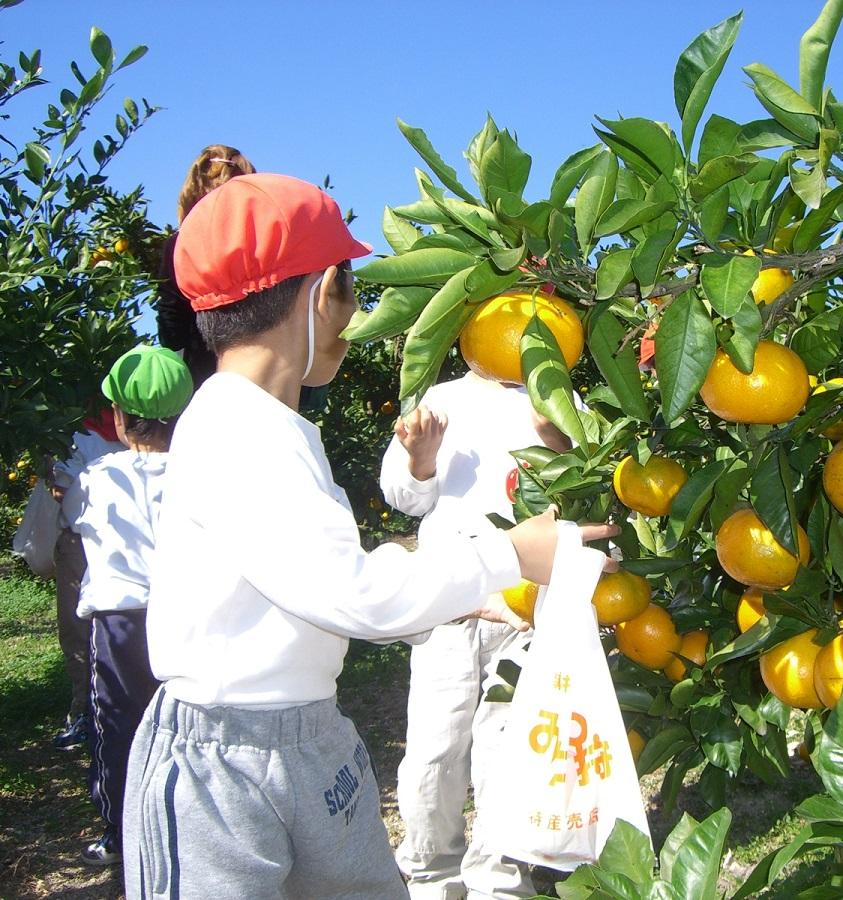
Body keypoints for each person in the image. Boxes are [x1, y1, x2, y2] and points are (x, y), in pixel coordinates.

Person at [121, 173, 617, 899]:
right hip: (221, 765)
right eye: (354, 293)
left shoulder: (273, 426)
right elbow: (351, 594)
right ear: (326, 292)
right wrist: (509, 554)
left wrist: (457, 589)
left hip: (311, 735)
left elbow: (327, 575)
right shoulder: (237, 429)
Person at [380, 374, 573, 900]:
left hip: (524, 605)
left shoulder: (557, 394)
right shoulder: (442, 400)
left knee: (509, 747)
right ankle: (430, 875)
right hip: (450, 605)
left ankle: (501, 878)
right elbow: (404, 496)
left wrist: (557, 440)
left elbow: (583, 488)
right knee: (433, 749)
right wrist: (422, 457)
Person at [62, 345, 193, 866]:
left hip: (118, 621)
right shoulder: (197, 473)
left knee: (117, 721)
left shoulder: (95, 478)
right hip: (185, 611)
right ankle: (185, 819)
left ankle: (119, 832)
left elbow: (74, 522)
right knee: (185, 721)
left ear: (117, 416)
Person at [49, 407, 124, 750]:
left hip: (82, 542)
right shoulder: (153, 437)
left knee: (79, 631)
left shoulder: (77, 436)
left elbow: (61, 490)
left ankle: (83, 712)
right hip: (126, 542)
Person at [156, 144, 255, 386]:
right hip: (261, 367)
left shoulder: (181, 244)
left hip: (202, 372)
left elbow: (171, 315)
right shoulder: (259, 240)